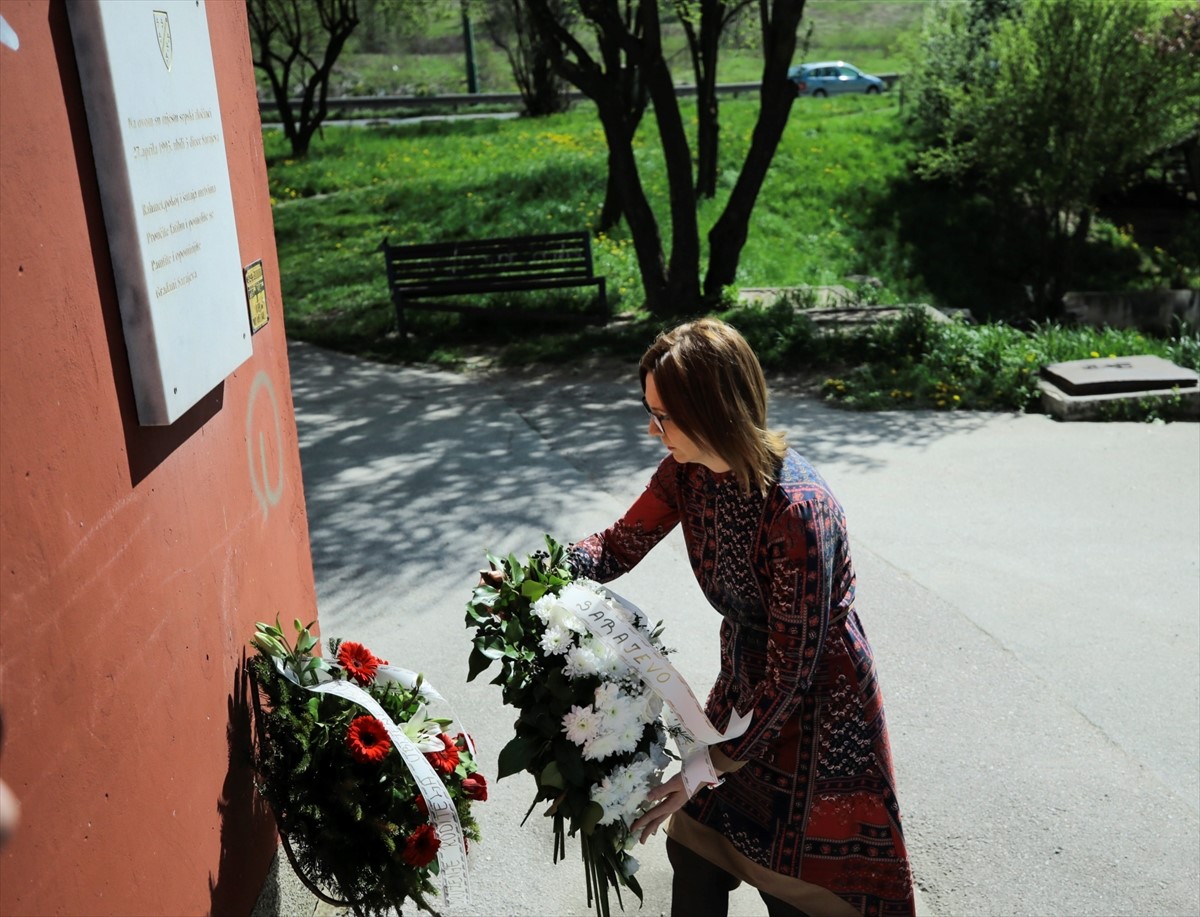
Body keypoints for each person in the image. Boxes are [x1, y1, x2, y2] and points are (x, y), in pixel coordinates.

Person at [566, 318, 915, 917]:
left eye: (665, 415)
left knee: (799, 893)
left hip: (819, 720)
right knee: (697, 848)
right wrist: (543, 577)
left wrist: (708, 762)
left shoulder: (796, 509)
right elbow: (618, 546)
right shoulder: (687, 473)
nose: (653, 430)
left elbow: (794, 676)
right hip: (744, 690)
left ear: (713, 409)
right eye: (650, 411)